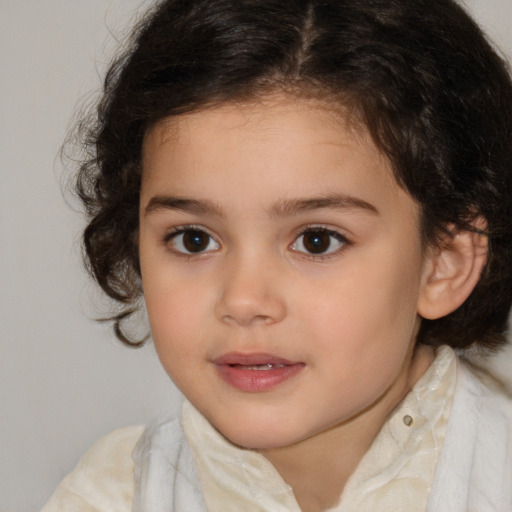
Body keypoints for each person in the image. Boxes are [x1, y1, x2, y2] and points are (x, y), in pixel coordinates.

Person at [42, 0, 512, 510]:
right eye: (194, 239)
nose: (244, 301)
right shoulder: (110, 495)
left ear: (444, 263)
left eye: (316, 240)